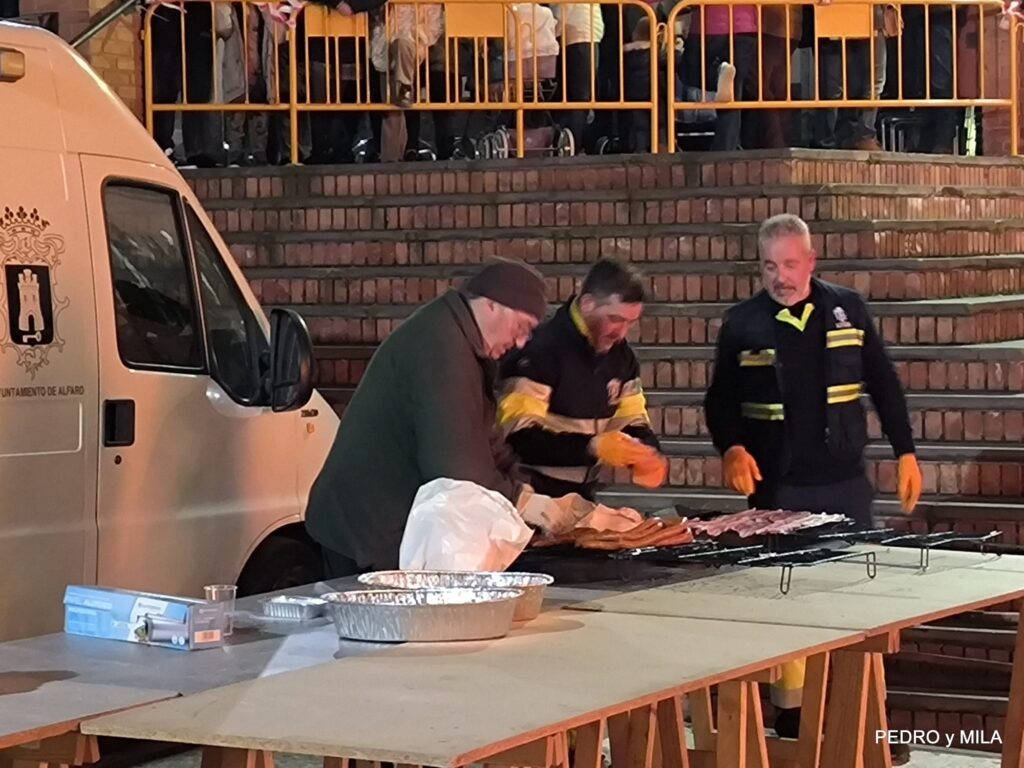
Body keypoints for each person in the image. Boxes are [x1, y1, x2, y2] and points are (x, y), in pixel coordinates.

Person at [704, 213, 921, 759]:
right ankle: (794, 718)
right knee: (788, 603)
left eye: (790, 264)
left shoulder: (848, 308)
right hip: (779, 486)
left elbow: (883, 382)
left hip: (843, 481)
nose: (780, 277)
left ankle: (869, 719)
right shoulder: (742, 323)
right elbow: (720, 400)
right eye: (769, 267)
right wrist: (731, 448)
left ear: (811, 261)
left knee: (860, 602)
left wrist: (906, 452)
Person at [306, 258, 576, 577]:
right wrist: (521, 501)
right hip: (364, 526)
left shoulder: (461, 342)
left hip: (380, 519)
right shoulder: (442, 347)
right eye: (522, 327)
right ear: (492, 305)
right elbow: (455, 470)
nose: (520, 342)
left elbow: (485, 438)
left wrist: (527, 490)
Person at [497, 259, 668, 502]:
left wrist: (646, 452)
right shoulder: (540, 351)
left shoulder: (622, 357)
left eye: (630, 322)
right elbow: (519, 437)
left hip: (582, 493)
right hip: (529, 494)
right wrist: (592, 447)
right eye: (615, 319)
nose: (621, 333)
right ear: (587, 304)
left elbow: (631, 418)